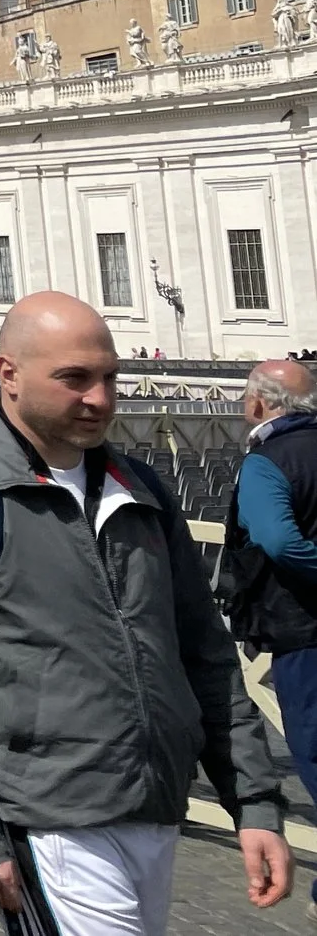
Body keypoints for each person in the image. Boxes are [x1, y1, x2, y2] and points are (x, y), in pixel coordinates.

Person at [0, 292, 290, 931]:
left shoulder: (144, 489)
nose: (99, 399)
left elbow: (204, 655)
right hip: (49, 813)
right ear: (8, 373)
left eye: (109, 378)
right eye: (74, 378)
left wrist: (255, 802)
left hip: (154, 803)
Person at [222, 358, 317, 926]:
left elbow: (277, 540)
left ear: (259, 404)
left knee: (313, 748)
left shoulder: (265, 461)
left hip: (304, 629)